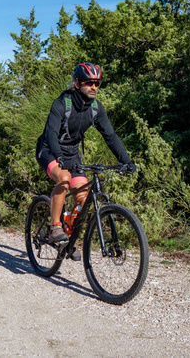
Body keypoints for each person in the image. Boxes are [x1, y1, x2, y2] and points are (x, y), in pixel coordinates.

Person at [36, 62, 136, 247]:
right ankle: (54, 227)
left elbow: (110, 136)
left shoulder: (96, 108)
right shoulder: (61, 103)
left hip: (72, 154)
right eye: (89, 82)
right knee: (64, 178)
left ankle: (69, 237)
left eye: (97, 83)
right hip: (49, 150)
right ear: (77, 83)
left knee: (82, 199)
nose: (94, 87)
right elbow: (50, 133)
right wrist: (59, 157)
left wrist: (126, 160)